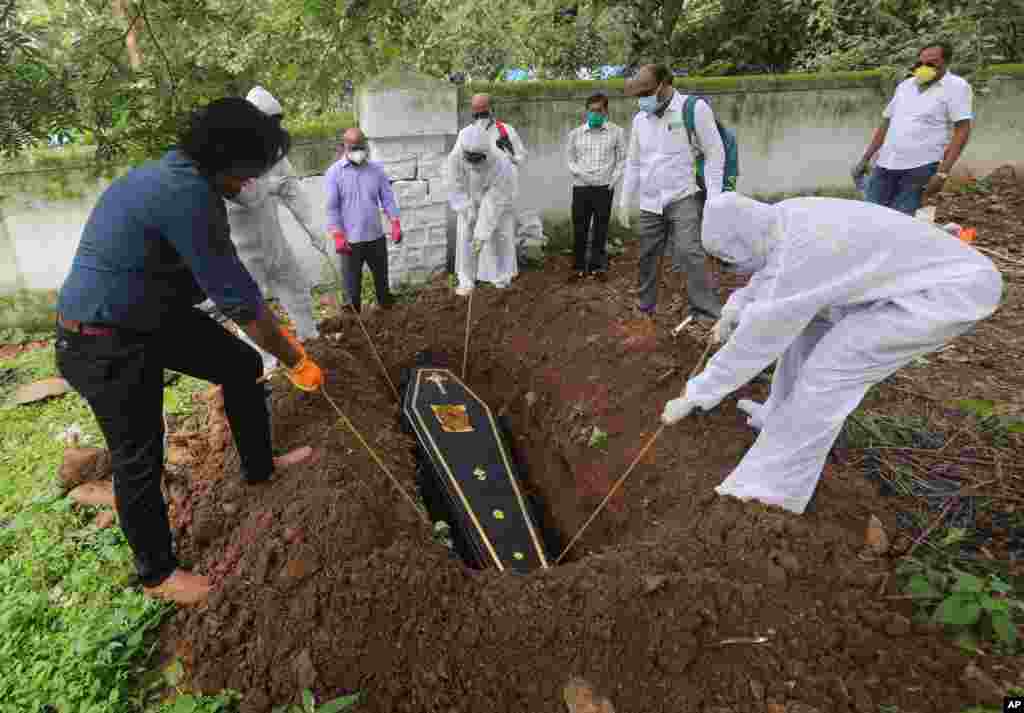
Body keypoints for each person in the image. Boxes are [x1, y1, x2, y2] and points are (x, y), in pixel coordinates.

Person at [55, 98, 325, 605]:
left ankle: (259, 467)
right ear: (230, 160)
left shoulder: (183, 176)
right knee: (140, 454)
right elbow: (241, 303)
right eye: (253, 170)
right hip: (100, 337)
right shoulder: (186, 195)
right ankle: (158, 574)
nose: (253, 183)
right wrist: (296, 359)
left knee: (241, 363)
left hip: (149, 317)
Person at [661, 193, 1002, 514]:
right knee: (810, 329)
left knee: (829, 373)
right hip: (919, 275)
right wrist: (735, 308)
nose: (730, 269)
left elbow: (758, 338)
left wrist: (698, 392)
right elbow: (772, 275)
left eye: (728, 261)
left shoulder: (798, 253)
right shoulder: (780, 219)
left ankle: (771, 489)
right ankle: (776, 416)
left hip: (945, 292)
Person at [225, 86, 321, 374]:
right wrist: (269, 186)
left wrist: (313, 228)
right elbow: (245, 196)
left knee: (296, 288)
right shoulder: (228, 153)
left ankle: (310, 338)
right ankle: (265, 364)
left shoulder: (273, 152)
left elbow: (291, 188)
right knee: (250, 308)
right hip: (243, 247)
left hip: (273, 238)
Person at [619, 64, 725, 325]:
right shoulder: (640, 120)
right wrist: (624, 200)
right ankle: (645, 307)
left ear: (663, 85)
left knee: (690, 252)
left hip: (683, 196)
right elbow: (633, 163)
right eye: (638, 96)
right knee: (647, 254)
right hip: (650, 201)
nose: (641, 100)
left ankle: (708, 314)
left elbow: (715, 153)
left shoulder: (693, 109)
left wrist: (714, 199)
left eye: (645, 93)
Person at [854, 41, 973, 215]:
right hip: (886, 163)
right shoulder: (905, 86)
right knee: (872, 215)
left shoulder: (956, 87)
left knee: (902, 221)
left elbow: (962, 130)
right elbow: (886, 123)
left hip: (920, 168)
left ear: (946, 63)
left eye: (931, 63)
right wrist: (866, 158)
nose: (924, 68)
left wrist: (942, 174)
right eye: (920, 63)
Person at [453, 93, 545, 256]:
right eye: (477, 112)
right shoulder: (465, 134)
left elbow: (521, 157)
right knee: (473, 233)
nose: (481, 116)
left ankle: (500, 276)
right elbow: (456, 164)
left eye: (484, 111)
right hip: (475, 191)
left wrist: (512, 158)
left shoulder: (506, 131)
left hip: (501, 188)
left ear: (492, 109)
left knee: (501, 234)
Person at [324, 128, 403, 313]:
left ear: (365, 146)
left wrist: (395, 222)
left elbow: (387, 198)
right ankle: (354, 324)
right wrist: (337, 234)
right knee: (351, 292)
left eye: (360, 147)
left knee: (383, 284)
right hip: (350, 241)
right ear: (344, 147)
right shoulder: (334, 173)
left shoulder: (376, 170)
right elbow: (332, 207)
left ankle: (389, 316)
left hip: (375, 236)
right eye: (353, 148)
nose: (358, 151)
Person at [446, 123, 520, 295]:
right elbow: (453, 186)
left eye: (477, 159)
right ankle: (466, 280)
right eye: (469, 159)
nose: (473, 164)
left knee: (498, 236)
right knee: (466, 237)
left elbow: (494, 200)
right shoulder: (455, 158)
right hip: (469, 201)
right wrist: (466, 209)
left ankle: (501, 278)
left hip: (494, 202)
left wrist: (481, 233)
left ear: (486, 153)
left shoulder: (501, 163)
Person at [565, 92, 626, 282]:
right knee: (580, 227)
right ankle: (578, 267)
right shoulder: (575, 134)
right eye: (591, 111)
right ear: (586, 111)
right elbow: (570, 159)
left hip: (604, 188)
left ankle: (597, 267)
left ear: (606, 111)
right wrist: (581, 174)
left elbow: (622, 159)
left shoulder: (617, 132)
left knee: (601, 228)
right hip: (581, 187)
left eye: (598, 111)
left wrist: (613, 180)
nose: (594, 114)